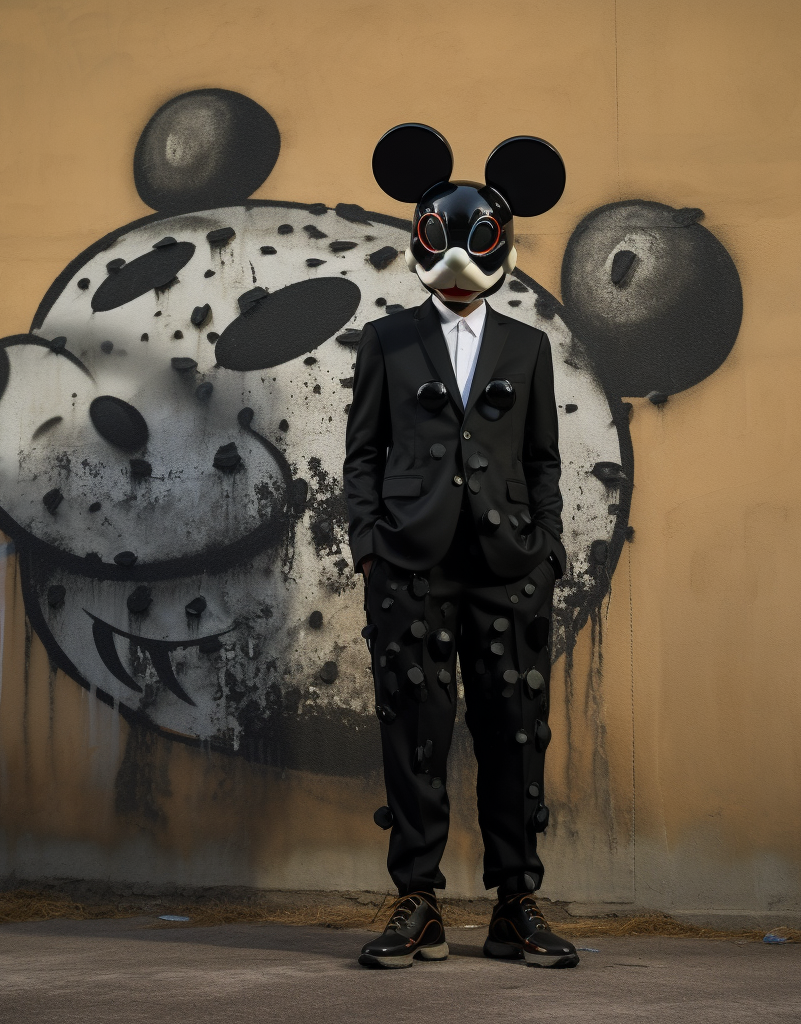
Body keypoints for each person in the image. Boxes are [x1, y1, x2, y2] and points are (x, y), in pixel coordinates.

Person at [344, 124, 579, 969]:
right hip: (408, 560)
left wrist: (547, 547)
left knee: (516, 731)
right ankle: (418, 901)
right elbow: (362, 452)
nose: (457, 269)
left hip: (509, 567)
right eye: (440, 245)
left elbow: (545, 459)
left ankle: (517, 904)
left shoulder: (529, 345)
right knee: (413, 729)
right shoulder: (387, 341)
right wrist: (368, 544)